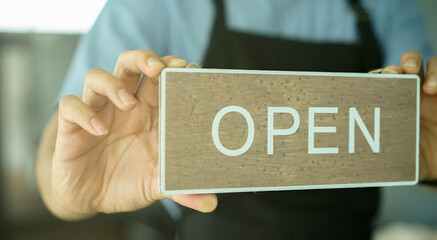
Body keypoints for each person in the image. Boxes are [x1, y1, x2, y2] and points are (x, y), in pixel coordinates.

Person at [36, 0, 437, 239]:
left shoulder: (386, 7)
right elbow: (61, 170)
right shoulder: (157, 5)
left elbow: (422, 131)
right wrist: (78, 186)